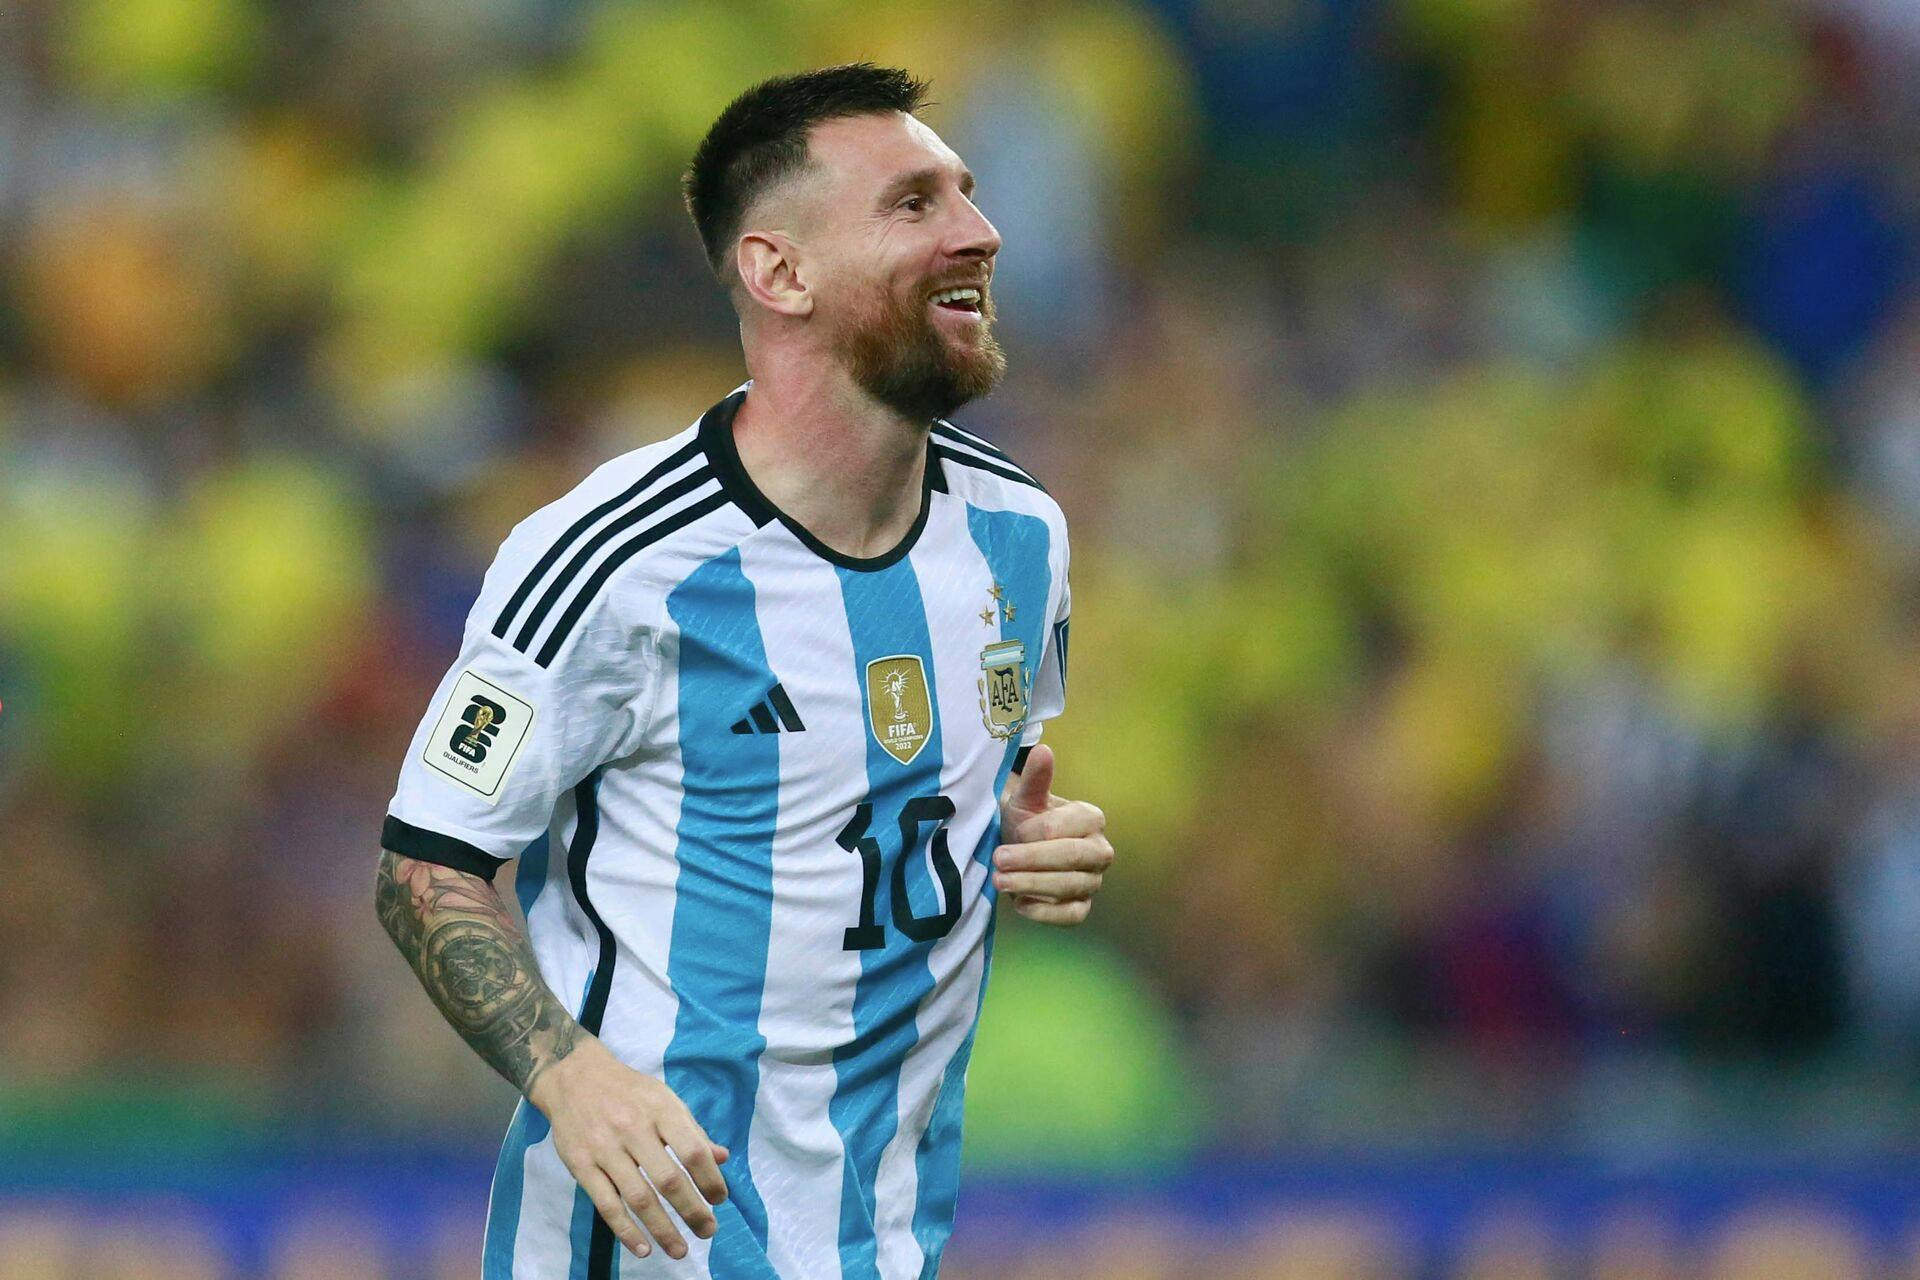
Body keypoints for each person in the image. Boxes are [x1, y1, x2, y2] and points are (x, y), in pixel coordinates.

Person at [375, 63, 1112, 1279]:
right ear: (780, 273)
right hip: (652, 1238)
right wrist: (570, 1074)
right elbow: (425, 865)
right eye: (914, 205)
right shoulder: (612, 559)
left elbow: (947, 800)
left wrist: (1039, 843)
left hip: (885, 1234)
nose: (980, 233)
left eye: (968, 197)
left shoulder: (1021, 535)